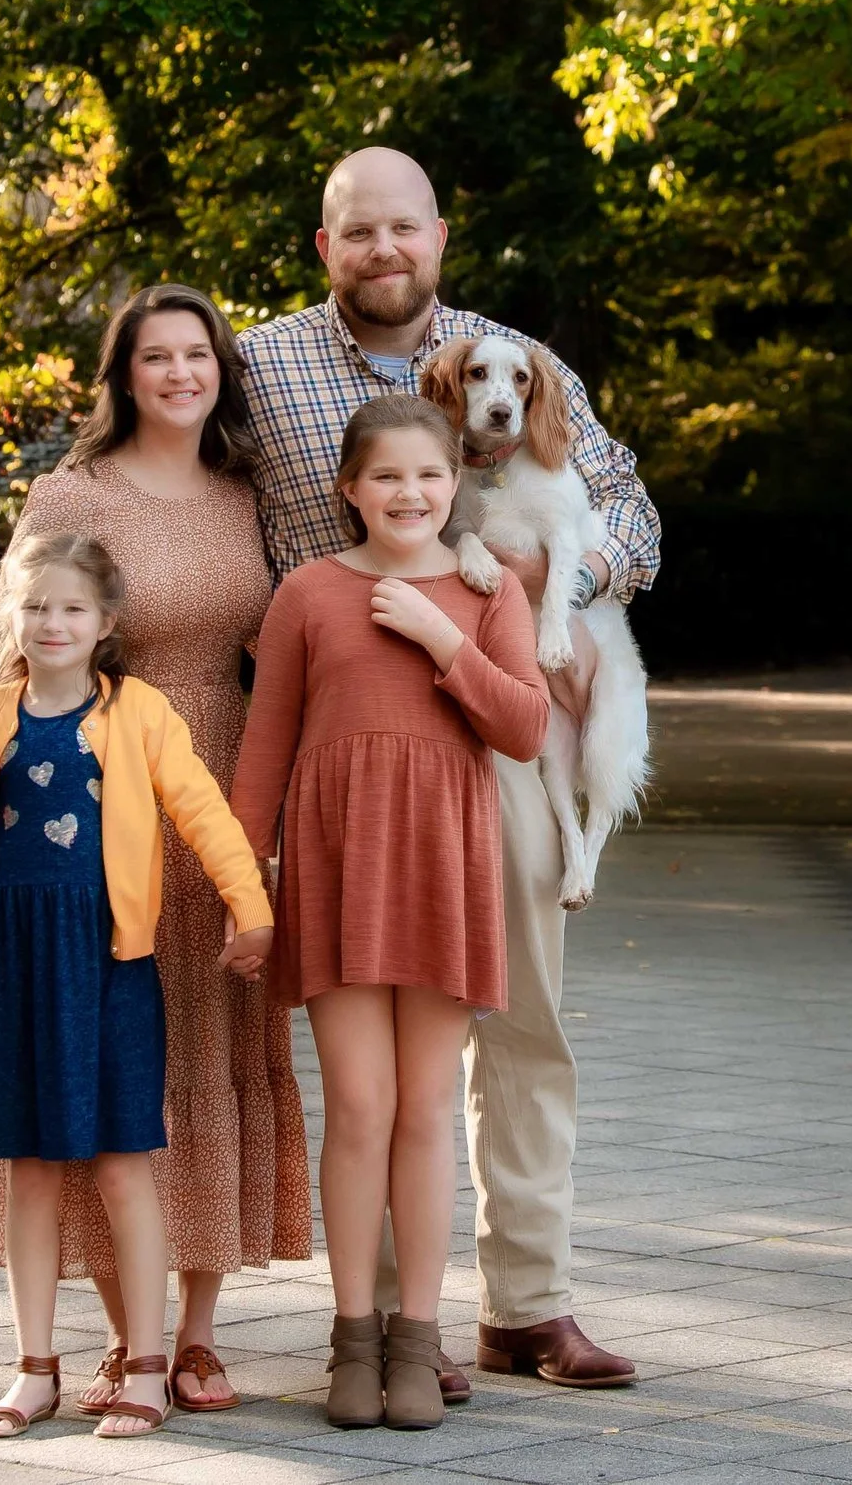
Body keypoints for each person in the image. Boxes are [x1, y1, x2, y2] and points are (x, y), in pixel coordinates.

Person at [235, 146, 656, 1389]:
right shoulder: (256, 367)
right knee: (368, 1067)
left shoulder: (513, 354)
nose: (383, 252)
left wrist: (549, 590)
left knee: (522, 1012)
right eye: (358, 232)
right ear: (326, 247)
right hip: (347, 744)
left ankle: (526, 1302)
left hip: (501, 715)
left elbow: (624, 502)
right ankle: (379, 1322)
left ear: (439, 236)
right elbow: (135, 502)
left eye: (403, 229)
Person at [0, 285, 310, 1416]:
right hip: (96, 794)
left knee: (203, 1055)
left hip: (218, 782)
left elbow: (286, 638)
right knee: (100, 1069)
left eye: (198, 355)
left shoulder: (249, 494)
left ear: (220, 370)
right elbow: (12, 632)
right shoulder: (70, 491)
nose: (180, 373)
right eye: (156, 357)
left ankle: (189, 1336)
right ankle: (107, 1338)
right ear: (123, 373)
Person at [230, 394, 548, 1429]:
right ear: (347, 489)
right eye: (386, 477)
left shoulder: (480, 586)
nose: (409, 493)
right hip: (336, 868)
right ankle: (352, 1338)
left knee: (423, 1111)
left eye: (428, 474)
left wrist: (440, 639)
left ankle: (419, 1338)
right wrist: (245, 885)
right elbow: (265, 747)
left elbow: (527, 728)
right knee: (359, 1107)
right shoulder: (307, 595)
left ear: (455, 482)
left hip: (444, 869)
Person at [0, 532, 275, 1440]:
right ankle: (33, 1368)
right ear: (10, 614)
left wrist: (252, 908)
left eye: (73, 609)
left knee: (125, 1164)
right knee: (31, 1165)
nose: (52, 623)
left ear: (106, 623)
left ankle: (148, 1364)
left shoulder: (140, 712)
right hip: (14, 965)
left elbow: (203, 810)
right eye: (35, 606)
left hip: (113, 963)